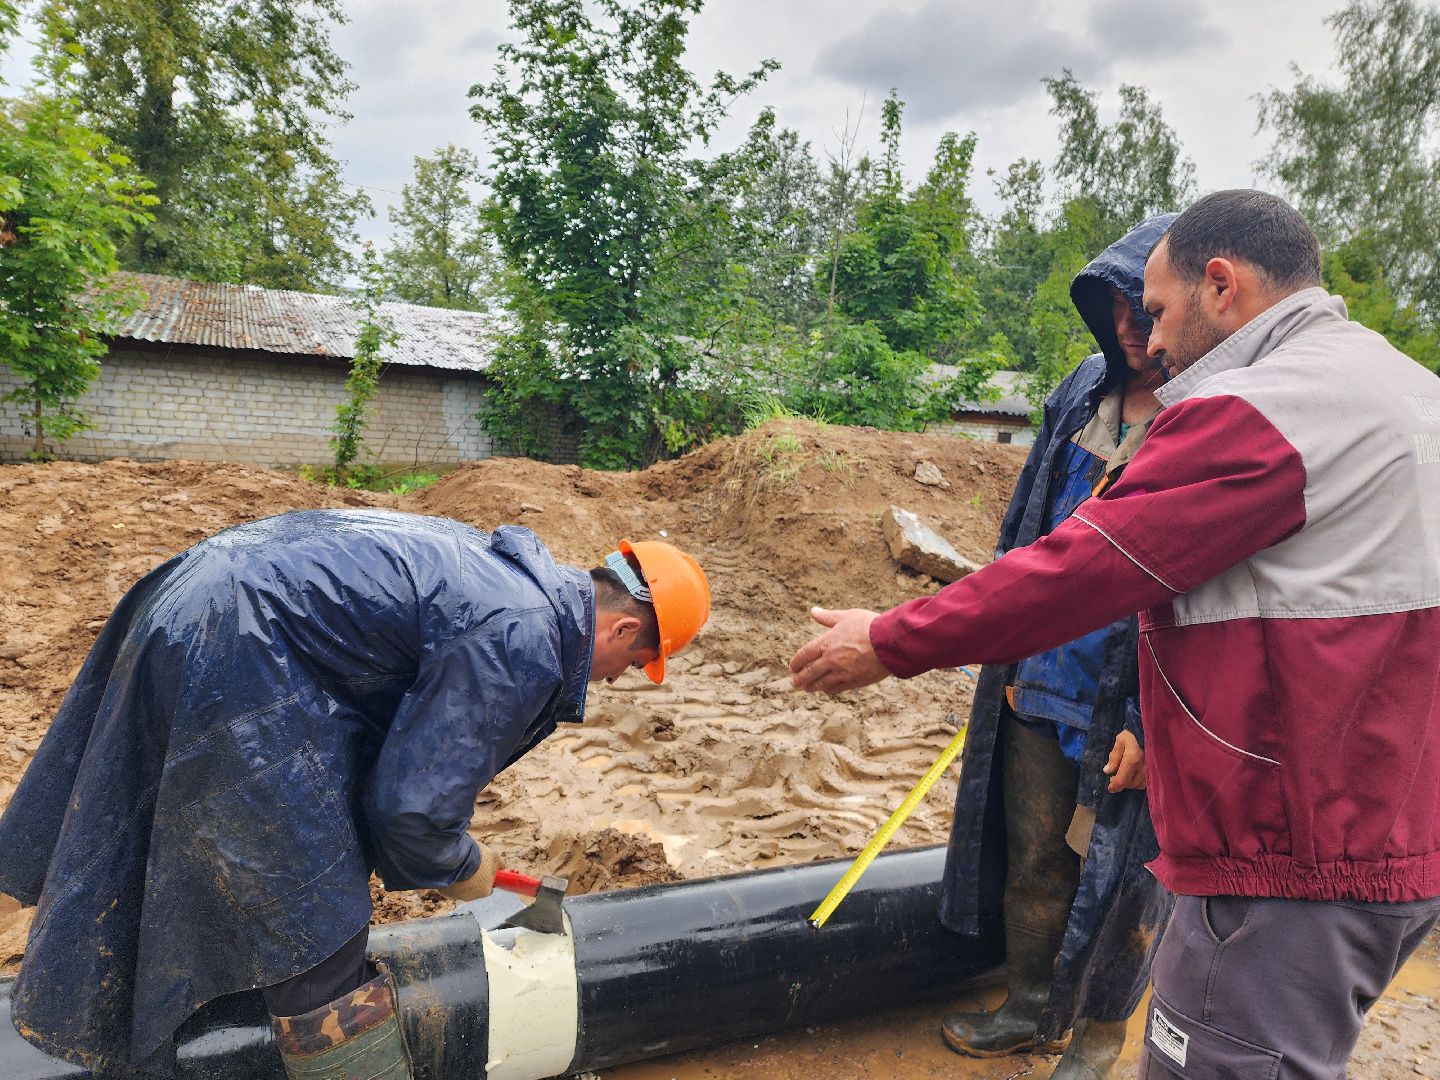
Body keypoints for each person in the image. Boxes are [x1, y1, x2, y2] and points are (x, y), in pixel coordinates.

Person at [791, 190, 1440, 1079]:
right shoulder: (1406, 390)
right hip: (1389, 831)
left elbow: (1083, 569)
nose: (1156, 340)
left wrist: (893, 638)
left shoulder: (1262, 410)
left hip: (1288, 853)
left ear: (1223, 285)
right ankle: (1032, 1005)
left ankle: (1092, 1036)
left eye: (1162, 311)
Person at [0, 508, 710, 1078]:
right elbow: (410, 806)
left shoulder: (509, 582)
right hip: (244, 641)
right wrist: (464, 869)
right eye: (637, 662)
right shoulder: (520, 637)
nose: (617, 679)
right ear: (622, 628)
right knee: (316, 925)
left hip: (199, 596)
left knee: (193, 838)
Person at [938, 214, 1177, 1079]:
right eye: (1111, 309)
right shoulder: (1084, 392)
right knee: (1037, 857)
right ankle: (1031, 1008)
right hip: (1047, 679)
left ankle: (1100, 1038)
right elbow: (1029, 531)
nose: (1126, 329)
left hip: (1138, 696)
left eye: (1143, 310)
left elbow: (1213, 596)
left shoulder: (1216, 417)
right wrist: (1010, 653)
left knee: (1122, 882)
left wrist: (1158, 728)